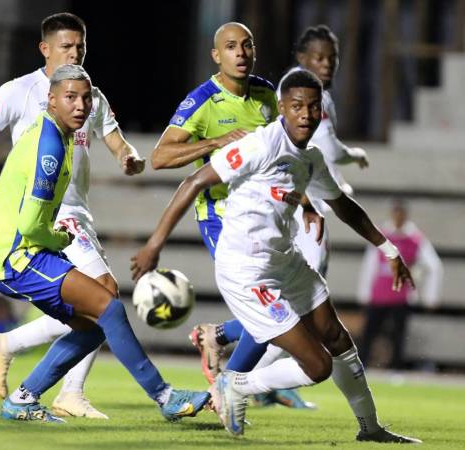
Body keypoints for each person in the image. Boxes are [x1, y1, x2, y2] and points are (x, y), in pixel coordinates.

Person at [132, 69, 421, 443]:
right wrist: (155, 244)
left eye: (313, 107)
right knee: (316, 366)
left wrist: (388, 249)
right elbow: (195, 181)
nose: (305, 114)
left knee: (338, 338)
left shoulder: (311, 158)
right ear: (281, 107)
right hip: (246, 271)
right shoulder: (260, 144)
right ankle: (234, 384)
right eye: (297, 106)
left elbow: (345, 207)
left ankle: (371, 428)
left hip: (285, 260)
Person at [0, 13, 145, 419]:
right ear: (45, 48)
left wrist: (129, 157)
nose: (76, 52)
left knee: (100, 303)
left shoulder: (92, 95)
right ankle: (67, 388)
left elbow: (115, 141)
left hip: (78, 212)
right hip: (49, 213)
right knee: (104, 298)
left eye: (81, 46)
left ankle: (13, 349)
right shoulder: (20, 91)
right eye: (67, 46)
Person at [0, 64, 209, 423]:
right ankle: (165, 396)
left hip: (19, 251)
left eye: (85, 98)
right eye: (70, 97)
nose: (80, 105)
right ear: (51, 101)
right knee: (109, 307)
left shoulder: (57, 134)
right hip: (16, 257)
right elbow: (30, 226)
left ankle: (23, 398)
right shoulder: (51, 147)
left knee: (94, 323)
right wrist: (60, 239)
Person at [188, 26, 371, 406]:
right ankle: (240, 380)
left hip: (303, 209)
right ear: (302, 59)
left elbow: (316, 153)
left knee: (297, 310)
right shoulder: (287, 98)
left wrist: (345, 163)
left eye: (331, 59)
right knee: (288, 310)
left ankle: (252, 373)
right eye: (318, 58)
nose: (326, 64)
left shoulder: (320, 102)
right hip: (264, 216)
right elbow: (279, 156)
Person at [151, 21, 312, 409]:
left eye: (246, 46)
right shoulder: (203, 101)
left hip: (265, 219)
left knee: (288, 311)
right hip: (221, 219)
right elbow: (160, 157)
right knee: (268, 317)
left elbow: (284, 151)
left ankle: (220, 344)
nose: (240, 53)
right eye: (230, 47)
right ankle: (227, 391)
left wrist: (304, 201)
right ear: (216, 55)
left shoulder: (266, 95)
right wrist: (215, 142)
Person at [357, 200, 443, 369]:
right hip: (379, 295)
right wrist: (364, 292)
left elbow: (433, 266)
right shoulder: (381, 235)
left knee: (398, 336)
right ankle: (360, 367)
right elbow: (370, 265)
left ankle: (396, 369)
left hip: (401, 297)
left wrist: (429, 297)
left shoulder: (415, 238)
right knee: (369, 333)